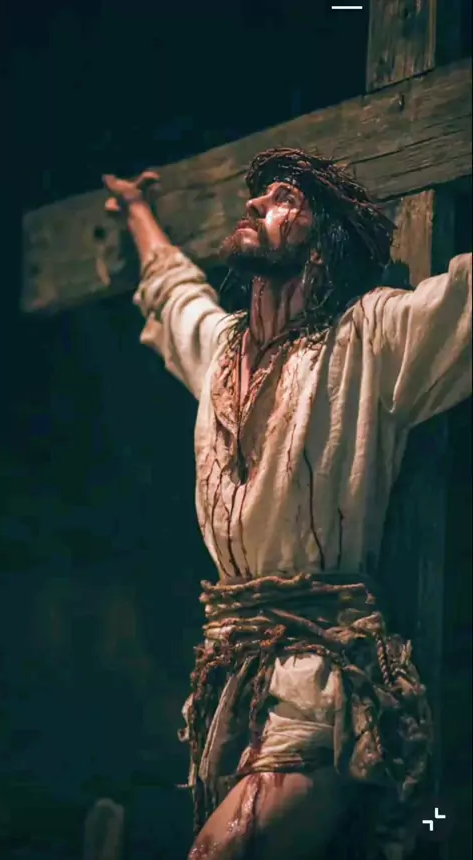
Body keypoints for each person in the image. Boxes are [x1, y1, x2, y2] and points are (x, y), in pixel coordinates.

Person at [103, 148, 472, 860]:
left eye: (282, 200)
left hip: (323, 676)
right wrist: (138, 212)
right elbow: (174, 294)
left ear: (322, 238)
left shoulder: (368, 338)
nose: (254, 205)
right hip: (230, 676)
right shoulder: (223, 351)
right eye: (259, 196)